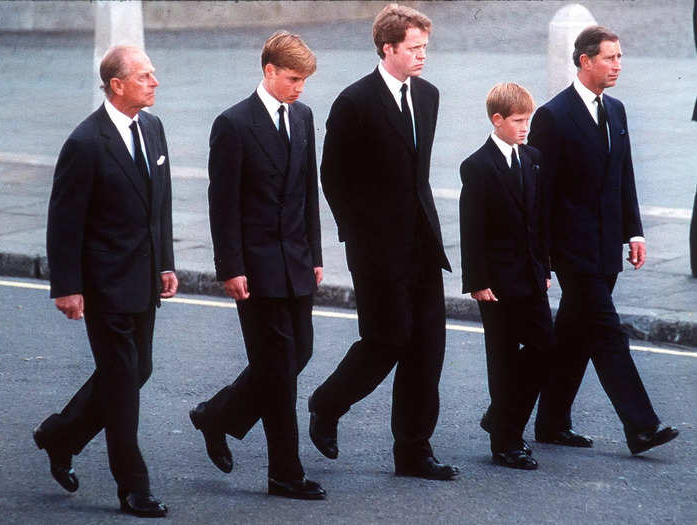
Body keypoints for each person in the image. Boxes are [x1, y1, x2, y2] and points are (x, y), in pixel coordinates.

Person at [308, 3, 458, 480]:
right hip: (375, 250)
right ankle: (327, 403)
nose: (422, 56)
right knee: (386, 341)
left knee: (427, 347)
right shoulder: (354, 102)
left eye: (425, 48)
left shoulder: (429, 96)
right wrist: (360, 238)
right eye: (413, 48)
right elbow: (332, 177)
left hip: (422, 245)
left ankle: (413, 450)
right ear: (387, 48)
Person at [33, 45, 176, 518]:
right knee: (121, 384)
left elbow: (161, 206)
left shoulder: (152, 128)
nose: (155, 82)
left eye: (153, 75)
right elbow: (64, 221)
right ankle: (133, 486)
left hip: (143, 278)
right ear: (117, 85)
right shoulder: (86, 143)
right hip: (104, 284)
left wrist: (166, 263)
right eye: (145, 76)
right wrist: (67, 287)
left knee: (138, 372)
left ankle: (60, 435)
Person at [529, 25, 678, 455]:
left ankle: (543, 420)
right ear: (584, 61)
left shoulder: (616, 110)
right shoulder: (552, 116)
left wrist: (634, 230)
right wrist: (542, 259)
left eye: (620, 57)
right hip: (572, 253)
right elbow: (541, 195)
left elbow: (623, 177)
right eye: (610, 57)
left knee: (573, 339)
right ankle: (641, 426)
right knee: (608, 333)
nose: (617, 65)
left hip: (607, 244)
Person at [189, 31, 325, 500]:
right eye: (292, 78)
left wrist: (316, 255)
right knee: (279, 369)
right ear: (268, 71)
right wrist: (230, 267)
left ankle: (217, 416)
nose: (300, 88)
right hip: (256, 266)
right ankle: (285, 473)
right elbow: (221, 204)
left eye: (304, 80)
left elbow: (309, 191)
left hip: (296, 261)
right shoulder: (233, 124)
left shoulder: (304, 117)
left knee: (296, 355)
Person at [460, 83, 553, 470]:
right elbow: (472, 229)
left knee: (545, 349)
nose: (525, 127)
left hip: (531, 277)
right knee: (501, 359)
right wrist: (477, 281)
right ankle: (506, 442)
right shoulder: (478, 165)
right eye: (517, 121)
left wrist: (545, 267)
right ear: (496, 120)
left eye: (528, 119)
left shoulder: (532, 158)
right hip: (496, 283)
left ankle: (501, 415)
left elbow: (539, 220)